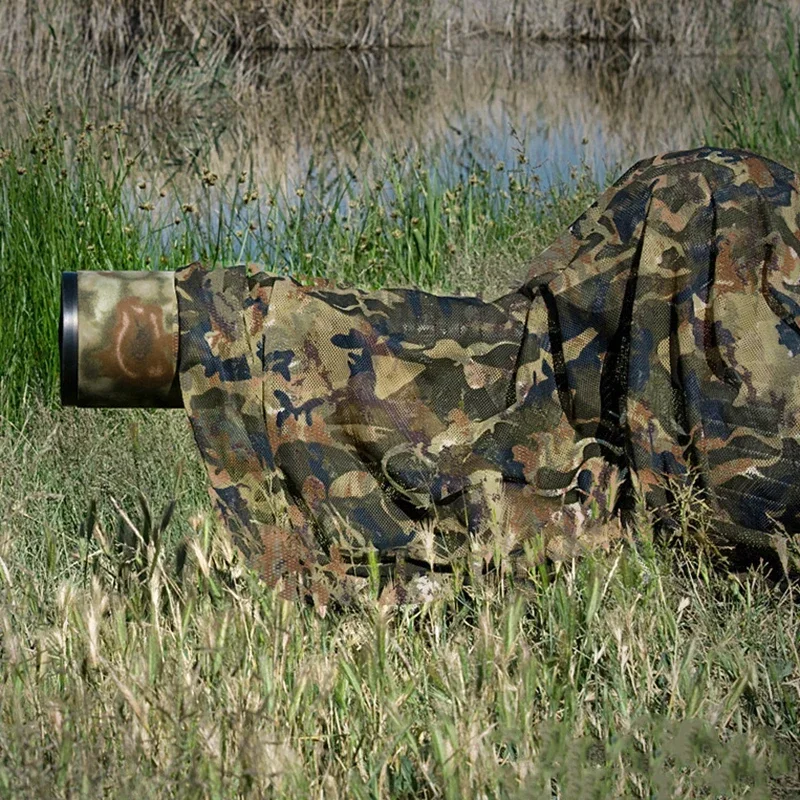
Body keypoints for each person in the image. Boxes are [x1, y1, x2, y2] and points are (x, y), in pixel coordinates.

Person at [172, 147, 800, 591]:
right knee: (504, 357)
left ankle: (209, 321)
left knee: (499, 351)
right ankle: (206, 323)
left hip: (701, 199)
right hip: (717, 213)